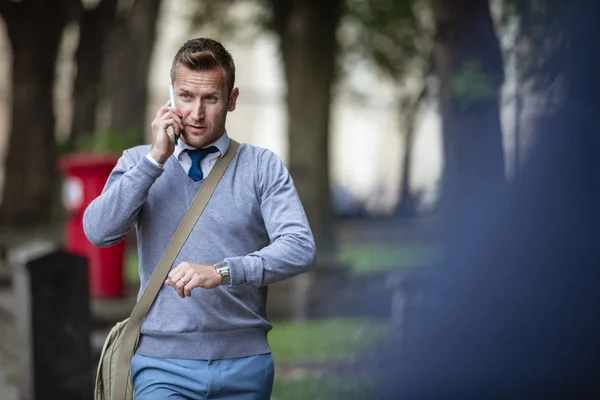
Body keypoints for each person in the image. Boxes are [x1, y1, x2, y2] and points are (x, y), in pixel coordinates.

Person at [83, 38, 316, 399]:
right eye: (186, 96)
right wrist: (154, 162)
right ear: (171, 98)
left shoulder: (261, 166)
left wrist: (222, 271)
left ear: (232, 100)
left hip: (245, 362)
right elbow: (98, 232)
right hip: (162, 365)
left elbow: (300, 248)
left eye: (211, 98)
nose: (196, 113)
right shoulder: (137, 162)